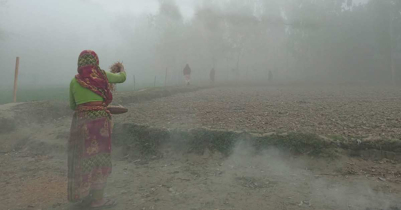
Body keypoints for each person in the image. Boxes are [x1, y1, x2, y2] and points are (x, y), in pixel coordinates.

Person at [68, 50, 126, 209]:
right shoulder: (102, 75)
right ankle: (98, 200)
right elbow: (122, 78)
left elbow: (73, 106)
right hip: (101, 123)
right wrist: (120, 68)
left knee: (83, 159)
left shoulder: (75, 81)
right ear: (95, 62)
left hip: (82, 124)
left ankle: (83, 196)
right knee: (100, 159)